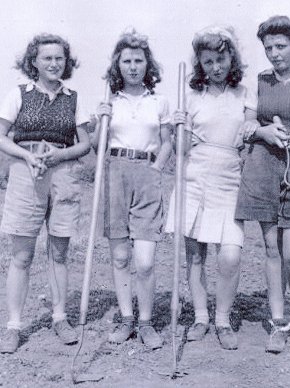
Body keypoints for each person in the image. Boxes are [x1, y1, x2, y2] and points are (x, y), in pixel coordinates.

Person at [165, 26, 256, 350]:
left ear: (231, 58)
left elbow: (251, 128)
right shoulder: (190, 97)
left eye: (221, 59)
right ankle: (202, 317)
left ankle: (223, 319)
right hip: (194, 178)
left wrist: (252, 125)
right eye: (208, 61)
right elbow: (182, 148)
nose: (216, 67)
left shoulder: (245, 93)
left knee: (230, 254)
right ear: (200, 64)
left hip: (230, 177)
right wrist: (178, 129)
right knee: (195, 255)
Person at [0, 34, 90, 354]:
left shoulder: (73, 98)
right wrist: (27, 156)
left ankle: (60, 317)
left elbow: (84, 144)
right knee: (22, 254)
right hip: (27, 174)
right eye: (47, 58)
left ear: (67, 63)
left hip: (64, 175)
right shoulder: (19, 93)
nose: (54, 64)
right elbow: (1, 137)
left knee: (59, 252)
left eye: (59, 59)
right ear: (34, 62)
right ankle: (13, 326)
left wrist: (59, 156)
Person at [93, 29, 172, 350]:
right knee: (121, 256)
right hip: (114, 173)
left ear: (147, 64)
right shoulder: (109, 101)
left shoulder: (160, 101)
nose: (133, 66)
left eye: (139, 60)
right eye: (127, 60)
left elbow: (168, 143)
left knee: (145, 261)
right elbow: (97, 148)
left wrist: (155, 169)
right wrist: (101, 120)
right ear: (118, 64)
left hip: (147, 174)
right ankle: (127, 319)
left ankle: (146, 321)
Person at [235, 15, 290, 353]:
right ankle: (278, 322)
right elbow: (247, 122)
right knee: (272, 249)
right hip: (264, 166)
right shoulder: (259, 81)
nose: (274, 53)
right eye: (268, 47)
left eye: (281, 46)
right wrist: (263, 131)